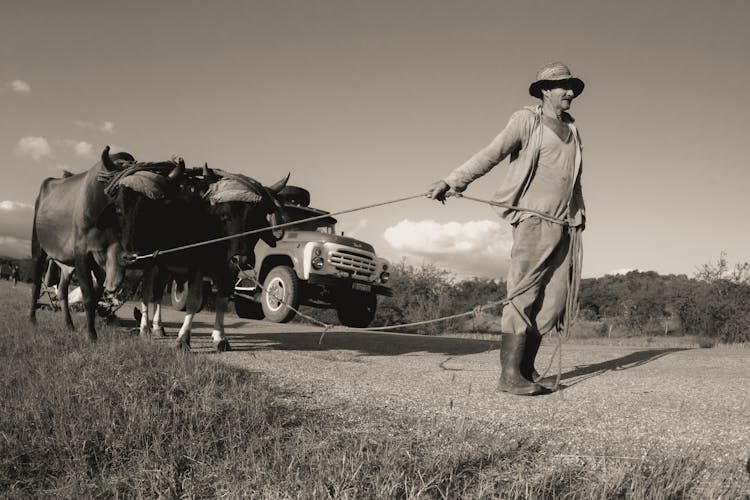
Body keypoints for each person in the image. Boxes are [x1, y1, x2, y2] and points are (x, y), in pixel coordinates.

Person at [427, 62, 586, 396]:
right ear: (545, 90)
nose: (570, 92)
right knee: (523, 295)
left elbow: (574, 180)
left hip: (566, 225)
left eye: (571, 86)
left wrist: (579, 215)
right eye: (563, 86)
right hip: (533, 220)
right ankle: (509, 375)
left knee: (554, 302)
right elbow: (492, 153)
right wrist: (452, 181)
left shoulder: (573, 131)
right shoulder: (527, 121)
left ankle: (527, 371)